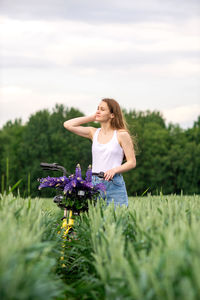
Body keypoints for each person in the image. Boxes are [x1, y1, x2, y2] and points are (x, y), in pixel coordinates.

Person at [63, 98, 136, 207]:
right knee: (96, 222)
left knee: (118, 221)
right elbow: (68, 124)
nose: (98, 111)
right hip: (94, 183)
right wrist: (92, 117)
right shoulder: (93, 132)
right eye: (97, 109)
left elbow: (132, 162)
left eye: (102, 109)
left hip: (114, 183)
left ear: (112, 115)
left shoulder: (122, 135)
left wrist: (114, 170)